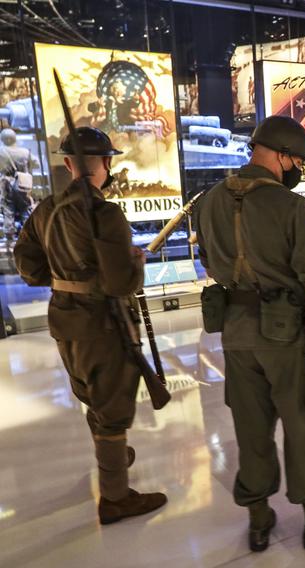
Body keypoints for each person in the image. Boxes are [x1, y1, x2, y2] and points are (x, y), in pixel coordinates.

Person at [193, 115, 305, 553]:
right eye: (296, 160)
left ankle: (259, 518)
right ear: (283, 156)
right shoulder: (292, 207)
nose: (297, 168)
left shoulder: (209, 200)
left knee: (251, 427)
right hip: (285, 334)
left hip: (235, 330)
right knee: (304, 423)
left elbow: (208, 263)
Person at [13, 127, 167, 524]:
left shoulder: (45, 210)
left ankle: (110, 452)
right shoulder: (105, 213)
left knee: (93, 394)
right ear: (106, 165)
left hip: (65, 319)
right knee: (113, 407)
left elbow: (28, 266)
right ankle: (115, 497)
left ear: (68, 164)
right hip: (103, 325)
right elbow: (120, 283)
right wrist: (135, 262)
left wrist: (67, 277)